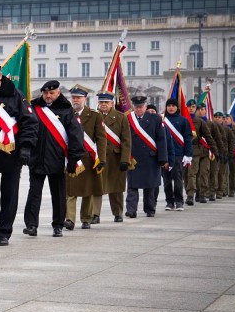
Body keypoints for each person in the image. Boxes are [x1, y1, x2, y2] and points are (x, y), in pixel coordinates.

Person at [0, 63, 38, 246]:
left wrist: (26, 147)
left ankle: (4, 232)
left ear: (0, 76)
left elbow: (29, 122)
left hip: (11, 153)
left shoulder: (15, 94)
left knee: (9, 196)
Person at [22, 80, 82, 238]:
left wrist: (73, 160)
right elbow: (27, 128)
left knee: (58, 195)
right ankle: (31, 225)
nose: (48, 96)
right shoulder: (35, 107)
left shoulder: (67, 110)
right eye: (45, 93)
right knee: (34, 194)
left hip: (57, 160)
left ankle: (58, 225)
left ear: (58, 93)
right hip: (37, 158)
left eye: (52, 93)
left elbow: (76, 137)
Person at [65, 84, 107, 229]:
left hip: (89, 158)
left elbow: (101, 138)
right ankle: (69, 219)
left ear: (85, 99)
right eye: (73, 97)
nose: (75, 100)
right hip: (71, 158)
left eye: (78, 97)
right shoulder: (67, 113)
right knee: (70, 190)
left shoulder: (95, 115)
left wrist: (102, 158)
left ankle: (86, 218)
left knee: (88, 191)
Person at [125, 96, 168, 218]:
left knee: (150, 186)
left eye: (141, 107)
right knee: (132, 186)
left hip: (150, 157)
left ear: (145, 106)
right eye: (136, 107)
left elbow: (161, 139)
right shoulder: (128, 119)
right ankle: (131, 210)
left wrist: (163, 158)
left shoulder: (156, 119)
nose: (138, 109)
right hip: (133, 157)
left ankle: (150, 209)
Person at [97, 91, 132, 222]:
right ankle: (94, 214)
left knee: (116, 187)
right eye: (101, 102)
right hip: (98, 158)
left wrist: (125, 160)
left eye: (106, 102)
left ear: (112, 103)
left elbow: (126, 141)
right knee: (97, 187)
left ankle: (118, 213)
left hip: (115, 157)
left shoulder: (121, 117)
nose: (103, 104)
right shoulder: (94, 116)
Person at [162, 98, 193, 210]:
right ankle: (169, 202)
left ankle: (179, 201)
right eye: (169, 105)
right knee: (166, 180)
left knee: (178, 178)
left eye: (173, 106)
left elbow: (188, 138)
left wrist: (188, 154)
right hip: (164, 155)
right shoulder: (162, 120)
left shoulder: (183, 120)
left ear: (177, 107)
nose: (171, 108)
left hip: (178, 154)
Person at [185, 101, 212, 205]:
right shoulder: (183, 120)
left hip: (202, 151)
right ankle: (190, 195)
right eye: (189, 107)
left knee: (204, 173)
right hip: (190, 150)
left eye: (193, 107)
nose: (191, 108)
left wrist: (215, 151)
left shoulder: (201, 122)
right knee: (191, 174)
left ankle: (202, 194)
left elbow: (209, 137)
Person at [215, 112, 235, 197]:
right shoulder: (211, 127)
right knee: (212, 173)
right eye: (216, 117)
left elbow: (231, 142)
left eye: (220, 117)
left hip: (224, 154)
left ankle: (221, 191)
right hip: (214, 153)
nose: (218, 119)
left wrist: (230, 154)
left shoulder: (227, 130)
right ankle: (210, 191)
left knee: (221, 174)